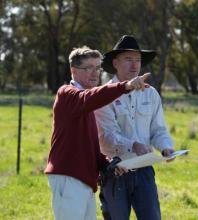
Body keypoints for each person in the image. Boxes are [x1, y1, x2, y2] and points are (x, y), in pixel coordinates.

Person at [44, 45, 151, 220]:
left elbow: (90, 146)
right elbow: (89, 97)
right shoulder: (67, 94)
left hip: (85, 181)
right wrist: (125, 86)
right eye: (88, 68)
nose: (95, 73)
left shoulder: (88, 104)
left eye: (97, 68)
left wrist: (108, 164)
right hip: (69, 178)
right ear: (73, 71)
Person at [94, 35, 175, 220]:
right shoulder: (103, 96)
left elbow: (158, 130)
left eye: (138, 60)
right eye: (128, 59)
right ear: (115, 63)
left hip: (145, 169)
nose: (135, 65)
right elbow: (106, 137)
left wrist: (166, 147)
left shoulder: (151, 94)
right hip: (114, 170)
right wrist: (134, 145)